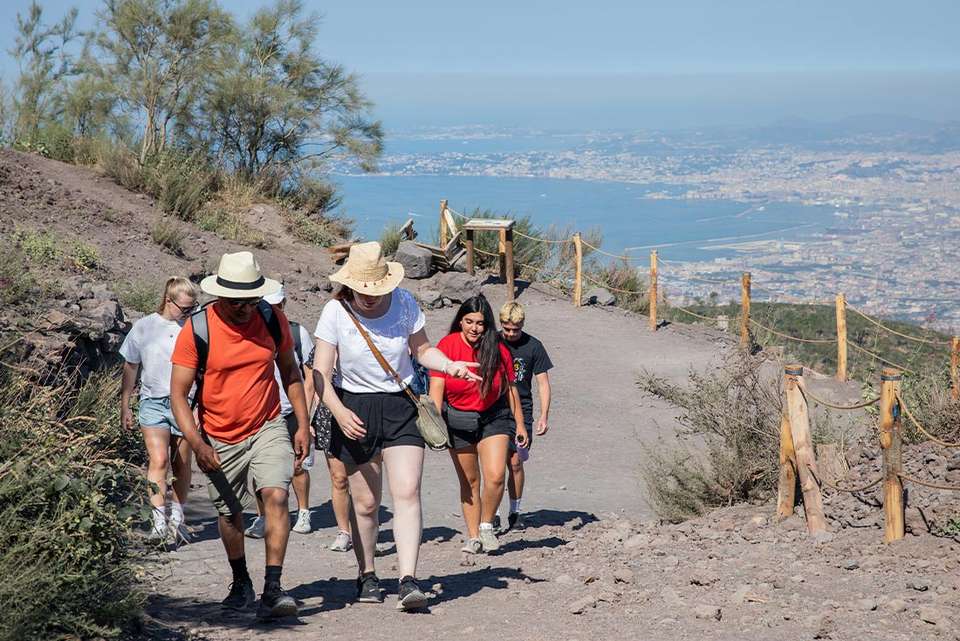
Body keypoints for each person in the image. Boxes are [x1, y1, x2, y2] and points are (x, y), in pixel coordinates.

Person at [313, 241, 479, 611]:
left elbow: (421, 350)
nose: (370, 297)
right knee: (367, 502)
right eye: (363, 290)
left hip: (401, 404)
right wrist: (338, 412)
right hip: (353, 406)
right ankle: (368, 573)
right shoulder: (335, 312)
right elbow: (321, 372)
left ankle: (408, 579)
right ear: (350, 284)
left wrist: (448, 365)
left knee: (407, 492)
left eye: (376, 289)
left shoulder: (404, 303)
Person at [169, 251, 310, 621]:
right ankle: (241, 580)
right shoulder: (197, 330)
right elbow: (178, 395)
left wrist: (304, 424)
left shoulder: (271, 319)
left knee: (276, 496)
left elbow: (292, 374)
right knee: (231, 514)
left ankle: (273, 589)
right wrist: (197, 443)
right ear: (220, 297)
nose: (246, 307)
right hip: (218, 434)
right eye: (237, 301)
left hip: (268, 424)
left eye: (252, 298)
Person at [430, 294, 528, 554]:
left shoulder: (497, 348)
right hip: (458, 420)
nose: (475, 328)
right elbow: (437, 387)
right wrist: (435, 422)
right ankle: (473, 536)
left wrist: (519, 424)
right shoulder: (446, 346)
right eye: (469, 321)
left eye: (481, 323)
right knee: (470, 481)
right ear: (460, 322)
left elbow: (510, 389)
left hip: (493, 417)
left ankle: (486, 526)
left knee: (496, 476)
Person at [120, 277, 198, 543]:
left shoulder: (194, 327)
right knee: (159, 461)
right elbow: (131, 366)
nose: (188, 313)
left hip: (186, 404)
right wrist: (125, 404)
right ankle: (157, 523)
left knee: (182, 463)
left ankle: (177, 519)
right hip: (153, 401)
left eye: (192, 307)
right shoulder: (144, 327)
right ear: (168, 300)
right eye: (184, 308)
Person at [245, 286, 317, 538]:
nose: (275, 310)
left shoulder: (297, 332)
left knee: (298, 464)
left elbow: (309, 376)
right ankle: (263, 516)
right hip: (262, 412)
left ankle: (304, 511)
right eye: (269, 305)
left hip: (290, 410)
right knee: (259, 468)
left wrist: (306, 416)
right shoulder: (251, 332)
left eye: (279, 305)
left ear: (285, 302)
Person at [499, 301, 553, 531]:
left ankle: (514, 511)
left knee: (516, 461)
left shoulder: (533, 346)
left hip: (523, 408)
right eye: (507, 329)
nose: (511, 334)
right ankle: (491, 513)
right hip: (494, 408)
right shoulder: (491, 341)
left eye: (516, 329)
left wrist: (544, 415)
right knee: (495, 464)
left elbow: (542, 383)